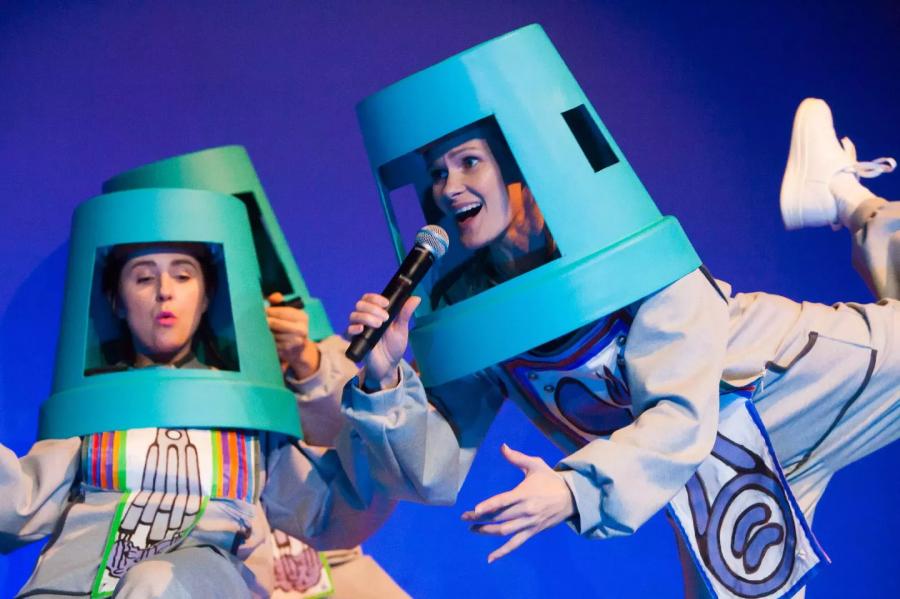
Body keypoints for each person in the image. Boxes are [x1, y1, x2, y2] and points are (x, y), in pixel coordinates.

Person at [342, 98, 900, 597]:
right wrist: (383, 380)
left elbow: (680, 413)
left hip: (787, 379)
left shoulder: (619, 239)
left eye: (469, 162)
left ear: (520, 167)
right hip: (716, 471)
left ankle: (851, 202)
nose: (448, 188)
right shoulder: (474, 308)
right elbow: (431, 469)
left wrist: (573, 489)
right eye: (438, 173)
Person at [0, 238, 390, 598]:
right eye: (144, 278)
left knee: (157, 583)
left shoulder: (242, 406)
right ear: (117, 301)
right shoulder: (96, 406)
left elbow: (328, 508)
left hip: (195, 583)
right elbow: (19, 505)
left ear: (206, 297)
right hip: (75, 585)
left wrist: (377, 389)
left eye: (183, 276)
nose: (164, 291)